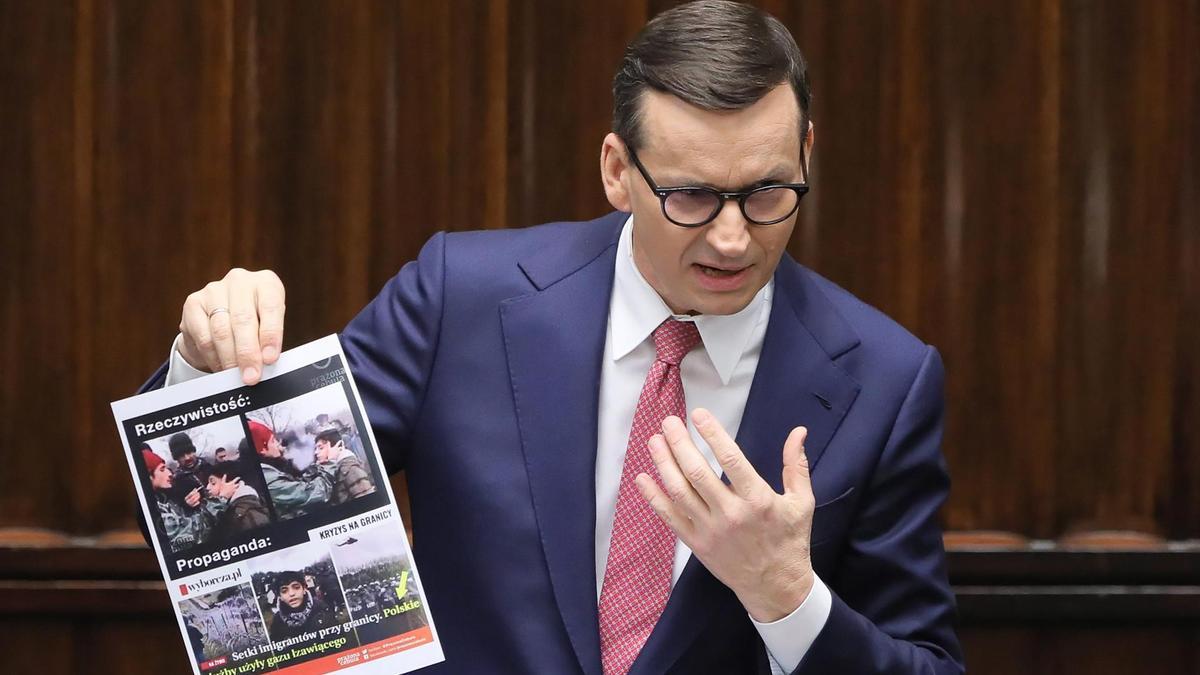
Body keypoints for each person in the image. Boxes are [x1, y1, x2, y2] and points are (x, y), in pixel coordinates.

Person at [143, 2, 963, 672]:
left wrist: (787, 595)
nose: (731, 238)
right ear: (616, 169)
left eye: (767, 192)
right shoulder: (455, 299)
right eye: (689, 196)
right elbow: (246, 529)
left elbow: (926, 661)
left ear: (806, 153)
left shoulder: (887, 380)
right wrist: (205, 367)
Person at [143, 449, 241, 552]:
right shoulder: (153, 508)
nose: (169, 473)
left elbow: (182, 523)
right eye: (162, 469)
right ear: (148, 477)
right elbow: (189, 538)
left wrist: (187, 508)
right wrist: (221, 499)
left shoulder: (164, 498)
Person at [246, 419, 337, 520]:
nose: (278, 445)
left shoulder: (272, 468)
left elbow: (300, 484)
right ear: (262, 449)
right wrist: (330, 462)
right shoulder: (268, 477)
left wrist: (315, 467)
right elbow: (313, 494)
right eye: (272, 441)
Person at [267, 570, 339, 641]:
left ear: (304, 589)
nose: (291, 593)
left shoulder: (321, 608)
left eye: (296, 587)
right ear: (280, 596)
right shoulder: (278, 621)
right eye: (284, 591)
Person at [314, 427, 376, 504]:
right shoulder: (330, 469)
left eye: (321, 448)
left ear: (337, 446)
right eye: (315, 449)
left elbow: (367, 502)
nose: (316, 452)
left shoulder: (349, 469)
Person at [207, 460, 272, 534]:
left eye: (213, 483)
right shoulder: (230, 508)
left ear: (230, 482)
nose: (208, 487)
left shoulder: (248, 515)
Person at [167, 432, 210, 506]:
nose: (187, 458)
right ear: (176, 458)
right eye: (181, 456)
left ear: (194, 451)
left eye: (189, 452)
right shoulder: (177, 483)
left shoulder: (209, 467)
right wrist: (187, 505)